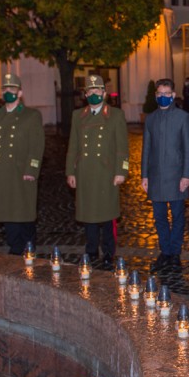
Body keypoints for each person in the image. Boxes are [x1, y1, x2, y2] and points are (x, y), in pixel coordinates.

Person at [66, 74, 128, 268]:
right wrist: (70, 171)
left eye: (97, 90)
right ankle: (91, 250)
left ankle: (108, 252)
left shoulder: (115, 115)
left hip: (106, 172)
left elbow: (122, 148)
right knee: (88, 214)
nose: (94, 93)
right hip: (85, 172)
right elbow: (73, 146)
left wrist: (121, 171)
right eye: (90, 90)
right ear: (85, 94)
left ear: (104, 93)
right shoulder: (78, 116)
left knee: (107, 214)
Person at [0, 73, 44, 254]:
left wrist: (32, 169)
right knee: (6, 209)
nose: (8, 91)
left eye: (12, 88)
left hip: (21, 170)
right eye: (5, 88)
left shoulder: (31, 115)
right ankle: (15, 247)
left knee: (24, 210)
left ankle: (28, 246)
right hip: (1, 170)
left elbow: (37, 146)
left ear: (20, 92)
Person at [141, 78, 189, 273]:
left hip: (177, 176)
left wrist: (186, 175)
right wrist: (144, 175)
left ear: (173, 95)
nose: (163, 96)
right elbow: (146, 149)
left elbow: (188, 149)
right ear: (156, 95)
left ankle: (175, 253)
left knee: (178, 216)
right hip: (156, 176)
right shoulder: (151, 119)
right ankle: (165, 251)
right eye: (160, 94)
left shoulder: (182, 117)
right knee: (160, 217)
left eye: (166, 93)